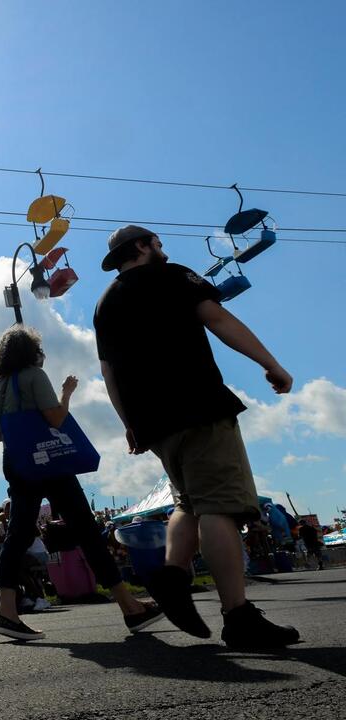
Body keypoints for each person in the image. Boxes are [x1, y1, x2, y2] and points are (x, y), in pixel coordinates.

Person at [94, 224, 299, 649]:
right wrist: (271, 363)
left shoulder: (106, 302)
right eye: (158, 243)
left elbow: (109, 371)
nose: (163, 249)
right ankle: (238, 615)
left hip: (154, 423)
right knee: (221, 507)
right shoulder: (174, 276)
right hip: (199, 405)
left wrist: (129, 422)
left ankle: (172, 575)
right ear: (142, 246)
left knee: (188, 501)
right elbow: (219, 318)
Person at [0, 324, 163, 641]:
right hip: (49, 460)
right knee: (86, 529)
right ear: (32, 352)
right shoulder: (34, 375)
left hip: (16, 463)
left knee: (17, 535)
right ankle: (128, 605)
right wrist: (66, 393)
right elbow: (55, 419)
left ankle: (7, 612)